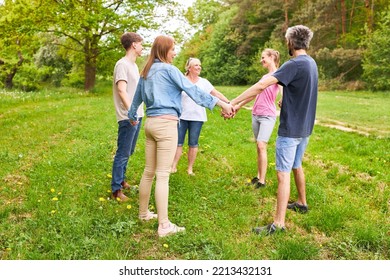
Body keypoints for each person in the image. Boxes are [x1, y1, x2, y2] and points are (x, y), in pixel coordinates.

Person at [128, 35, 234, 237]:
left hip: (150, 125)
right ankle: (164, 225)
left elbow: (136, 99)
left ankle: (143, 214)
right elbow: (194, 91)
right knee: (163, 175)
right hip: (166, 125)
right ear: (164, 50)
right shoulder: (169, 70)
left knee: (148, 171)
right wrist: (222, 104)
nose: (175, 52)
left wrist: (132, 115)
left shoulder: (146, 71)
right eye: (173, 49)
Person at [230, 25, 318, 235]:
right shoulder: (311, 63)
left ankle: (278, 224)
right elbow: (303, 92)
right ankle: (302, 203)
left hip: (291, 130)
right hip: (305, 128)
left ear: (290, 42)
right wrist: (287, 102)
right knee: (297, 165)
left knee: (282, 175)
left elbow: (261, 86)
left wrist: (233, 102)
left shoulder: (293, 64)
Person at [171, 57, 230, 176]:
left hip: (197, 118)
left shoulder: (204, 82)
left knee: (193, 143)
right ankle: (173, 166)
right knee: (178, 143)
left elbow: (216, 93)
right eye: (196, 65)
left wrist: (228, 103)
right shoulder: (182, 80)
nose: (199, 67)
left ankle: (190, 169)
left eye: (199, 65)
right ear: (189, 67)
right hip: (182, 116)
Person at [232, 49, 282, 189]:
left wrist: (283, 98)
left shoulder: (279, 75)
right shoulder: (264, 77)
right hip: (256, 114)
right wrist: (239, 106)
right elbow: (253, 94)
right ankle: (259, 175)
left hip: (267, 116)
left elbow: (284, 90)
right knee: (259, 147)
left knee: (261, 145)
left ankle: (262, 181)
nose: (261, 60)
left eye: (263, 57)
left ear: (272, 57)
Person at [111, 32, 144, 202]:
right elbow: (121, 90)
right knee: (123, 152)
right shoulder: (122, 64)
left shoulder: (134, 65)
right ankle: (116, 190)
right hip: (127, 116)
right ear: (133, 45)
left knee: (129, 150)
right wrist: (131, 112)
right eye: (140, 43)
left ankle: (122, 180)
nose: (142, 47)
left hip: (137, 114)